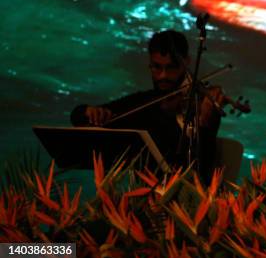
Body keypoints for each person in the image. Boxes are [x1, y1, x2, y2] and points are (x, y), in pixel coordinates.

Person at [70, 30, 223, 181]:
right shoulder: (145, 101)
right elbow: (78, 117)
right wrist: (89, 111)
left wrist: (203, 124)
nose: (163, 75)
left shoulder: (201, 102)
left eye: (171, 68)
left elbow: (200, 164)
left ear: (187, 62)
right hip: (144, 196)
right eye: (156, 67)